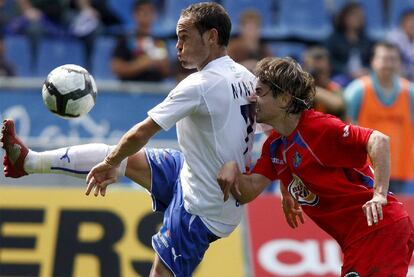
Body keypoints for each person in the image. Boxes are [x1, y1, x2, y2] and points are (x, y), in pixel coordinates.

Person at [2, 2, 256, 277]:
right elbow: (274, 129)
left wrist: (111, 162)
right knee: (127, 157)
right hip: (197, 173)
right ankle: (29, 162)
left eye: (184, 36)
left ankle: (33, 163)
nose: (177, 46)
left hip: (203, 207)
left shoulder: (200, 85)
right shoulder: (247, 77)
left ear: (212, 36)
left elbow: (141, 133)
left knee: (160, 273)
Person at [217, 57, 414, 276]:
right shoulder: (274, 146)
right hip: (356, 240)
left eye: (260, 92)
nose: (253, 98)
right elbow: (248, 191)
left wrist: (379, 194)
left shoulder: (318, 127)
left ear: (283, 98)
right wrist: (232, 165)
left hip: (379, 227)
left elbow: (379, 140)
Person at [345, 41, 414, 193]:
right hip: (367, 172)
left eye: (393, 59)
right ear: (373, 61)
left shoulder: (410, 92)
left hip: (400, 171)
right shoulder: (357, 90)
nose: (389, 64)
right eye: (384, 59)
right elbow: (346, 129)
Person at [110, 0, 170, 82]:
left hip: (155, 90)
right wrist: (143, 63)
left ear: (155, 15)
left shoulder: (159, 41)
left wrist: (162, 64)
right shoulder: (124, 40)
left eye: (149, 11)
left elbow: (167, 72)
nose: (145, 14)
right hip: (128, 90)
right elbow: (116, 68)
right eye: (141, 11)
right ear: (134, 14)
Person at [325, 2, 373, 87]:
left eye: (361, 16)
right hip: (341, 77)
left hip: (363, 77)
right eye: (355, 15)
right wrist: (348, 72)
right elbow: (329, 61)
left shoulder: (366, 40)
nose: (359, 19)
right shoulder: (333, 39)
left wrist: (366, 70)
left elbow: (371, 60)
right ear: (345, 17)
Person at [302, 46, 345, 119]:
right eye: (315, 72)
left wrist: (310, 89)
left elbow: (337, 105)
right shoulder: (299, 88)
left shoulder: (333, 88)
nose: (319, 76)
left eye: (321, 71)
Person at [388, 9, 414, 81]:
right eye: (410, 21)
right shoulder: (393, 38)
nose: (413, 24)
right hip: (397, 77)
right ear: (402, 23)